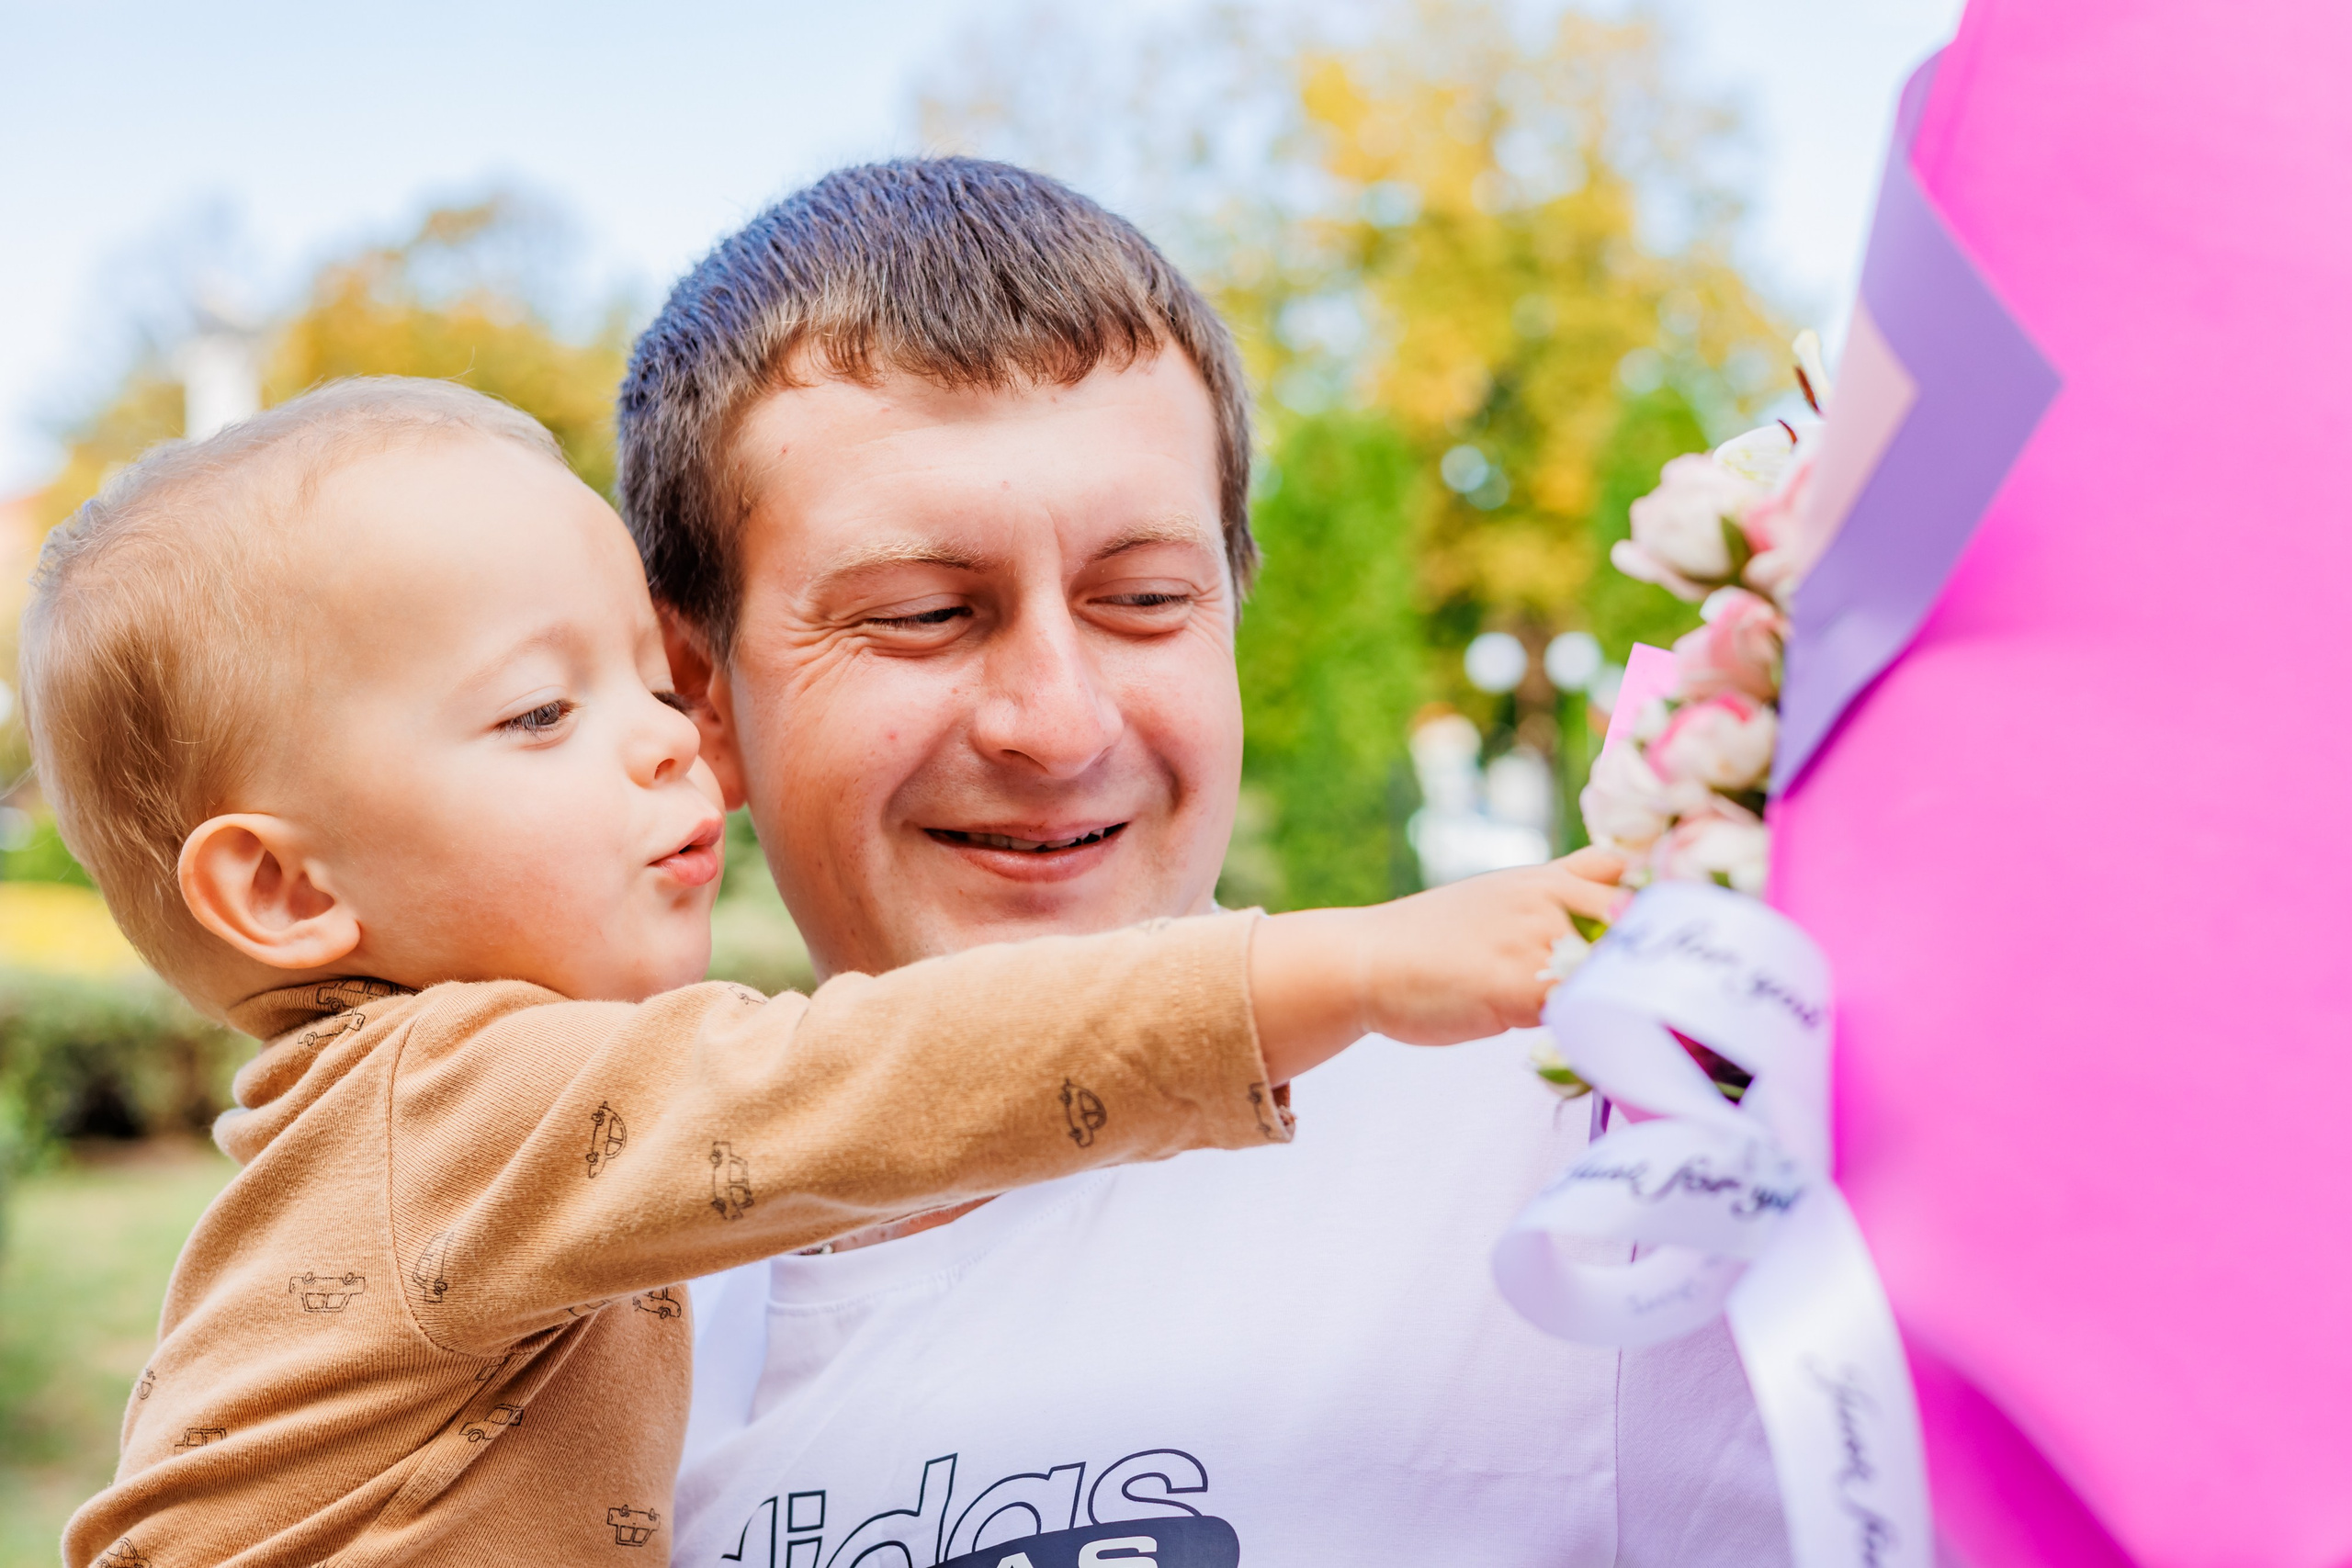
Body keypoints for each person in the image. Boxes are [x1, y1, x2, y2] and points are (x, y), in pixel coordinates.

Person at [19, 376, 1624, 1568]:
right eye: (537, 715)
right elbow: (849, 1083)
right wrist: (1348, 966)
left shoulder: (412, 1152)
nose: (669, 743)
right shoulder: (440, 1110)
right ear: (285, 889)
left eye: (651, 683)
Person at [623, 159, 1791, 1567]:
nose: (1056, 723)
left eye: (1142, 601)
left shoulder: (1582, 1162)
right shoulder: (571, 1343)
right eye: (927, 614)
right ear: (701, 701)